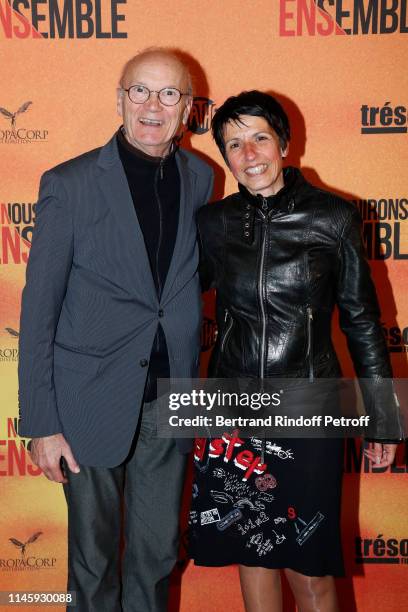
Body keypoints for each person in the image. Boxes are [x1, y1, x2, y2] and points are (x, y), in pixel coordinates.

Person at [190, 90, 403, 612]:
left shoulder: (333, 217)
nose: (250, 153)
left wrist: (385, 418)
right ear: (224, 155)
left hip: (309, 411)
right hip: (230, 410)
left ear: (284, 142)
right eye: (234, 143)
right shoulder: (212, 224)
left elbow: (362, 323)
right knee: (253, 552)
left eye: (260, 137)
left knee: (310, 568)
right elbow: (172, 300)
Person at [18, 48, 213, 612]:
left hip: (170, 400)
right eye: (141, 91)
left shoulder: (202, 177)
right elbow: (39, 312)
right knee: (93, 562)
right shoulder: (70, 184)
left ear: (187, 111)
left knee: (155, 560)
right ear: (120, 98)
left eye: (169, 94)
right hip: (87, 402)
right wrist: (43, 423)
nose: (153, 105)